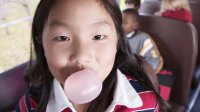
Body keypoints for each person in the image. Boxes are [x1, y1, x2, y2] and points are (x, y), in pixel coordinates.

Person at [15, 0, 168, 112]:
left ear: (117, 42)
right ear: (42, 45)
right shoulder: (32, 103)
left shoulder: (144, 103)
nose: (81, 56)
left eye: (98, 36)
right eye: (62, 38)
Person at [122, 8, 163, 74]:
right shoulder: (116, 36)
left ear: (135, 26)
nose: (119, 24)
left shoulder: (143, 39)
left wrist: (140, 71)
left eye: (124, 22)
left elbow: (154, 60)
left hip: (137, 70)